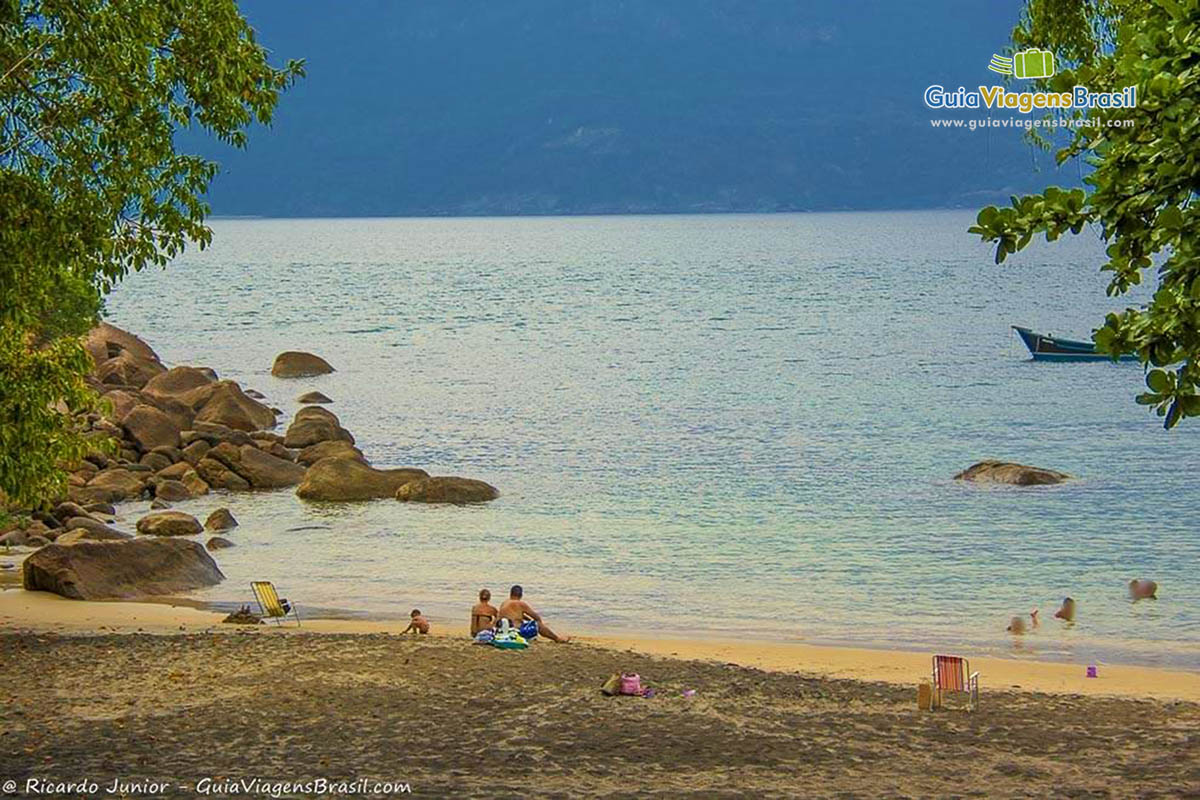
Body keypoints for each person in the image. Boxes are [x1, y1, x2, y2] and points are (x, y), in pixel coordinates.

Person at [497, 584, 569, 643]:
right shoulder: (520, 603)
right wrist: (541, 625)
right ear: (521, 595)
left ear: (510, 594)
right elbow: (536, 617)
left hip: (504, 631)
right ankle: (557, 639)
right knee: (538, 625)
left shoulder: (505, 603)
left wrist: (528, 620)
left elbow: (518, 615)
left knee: (534, 624)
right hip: (516, 631)